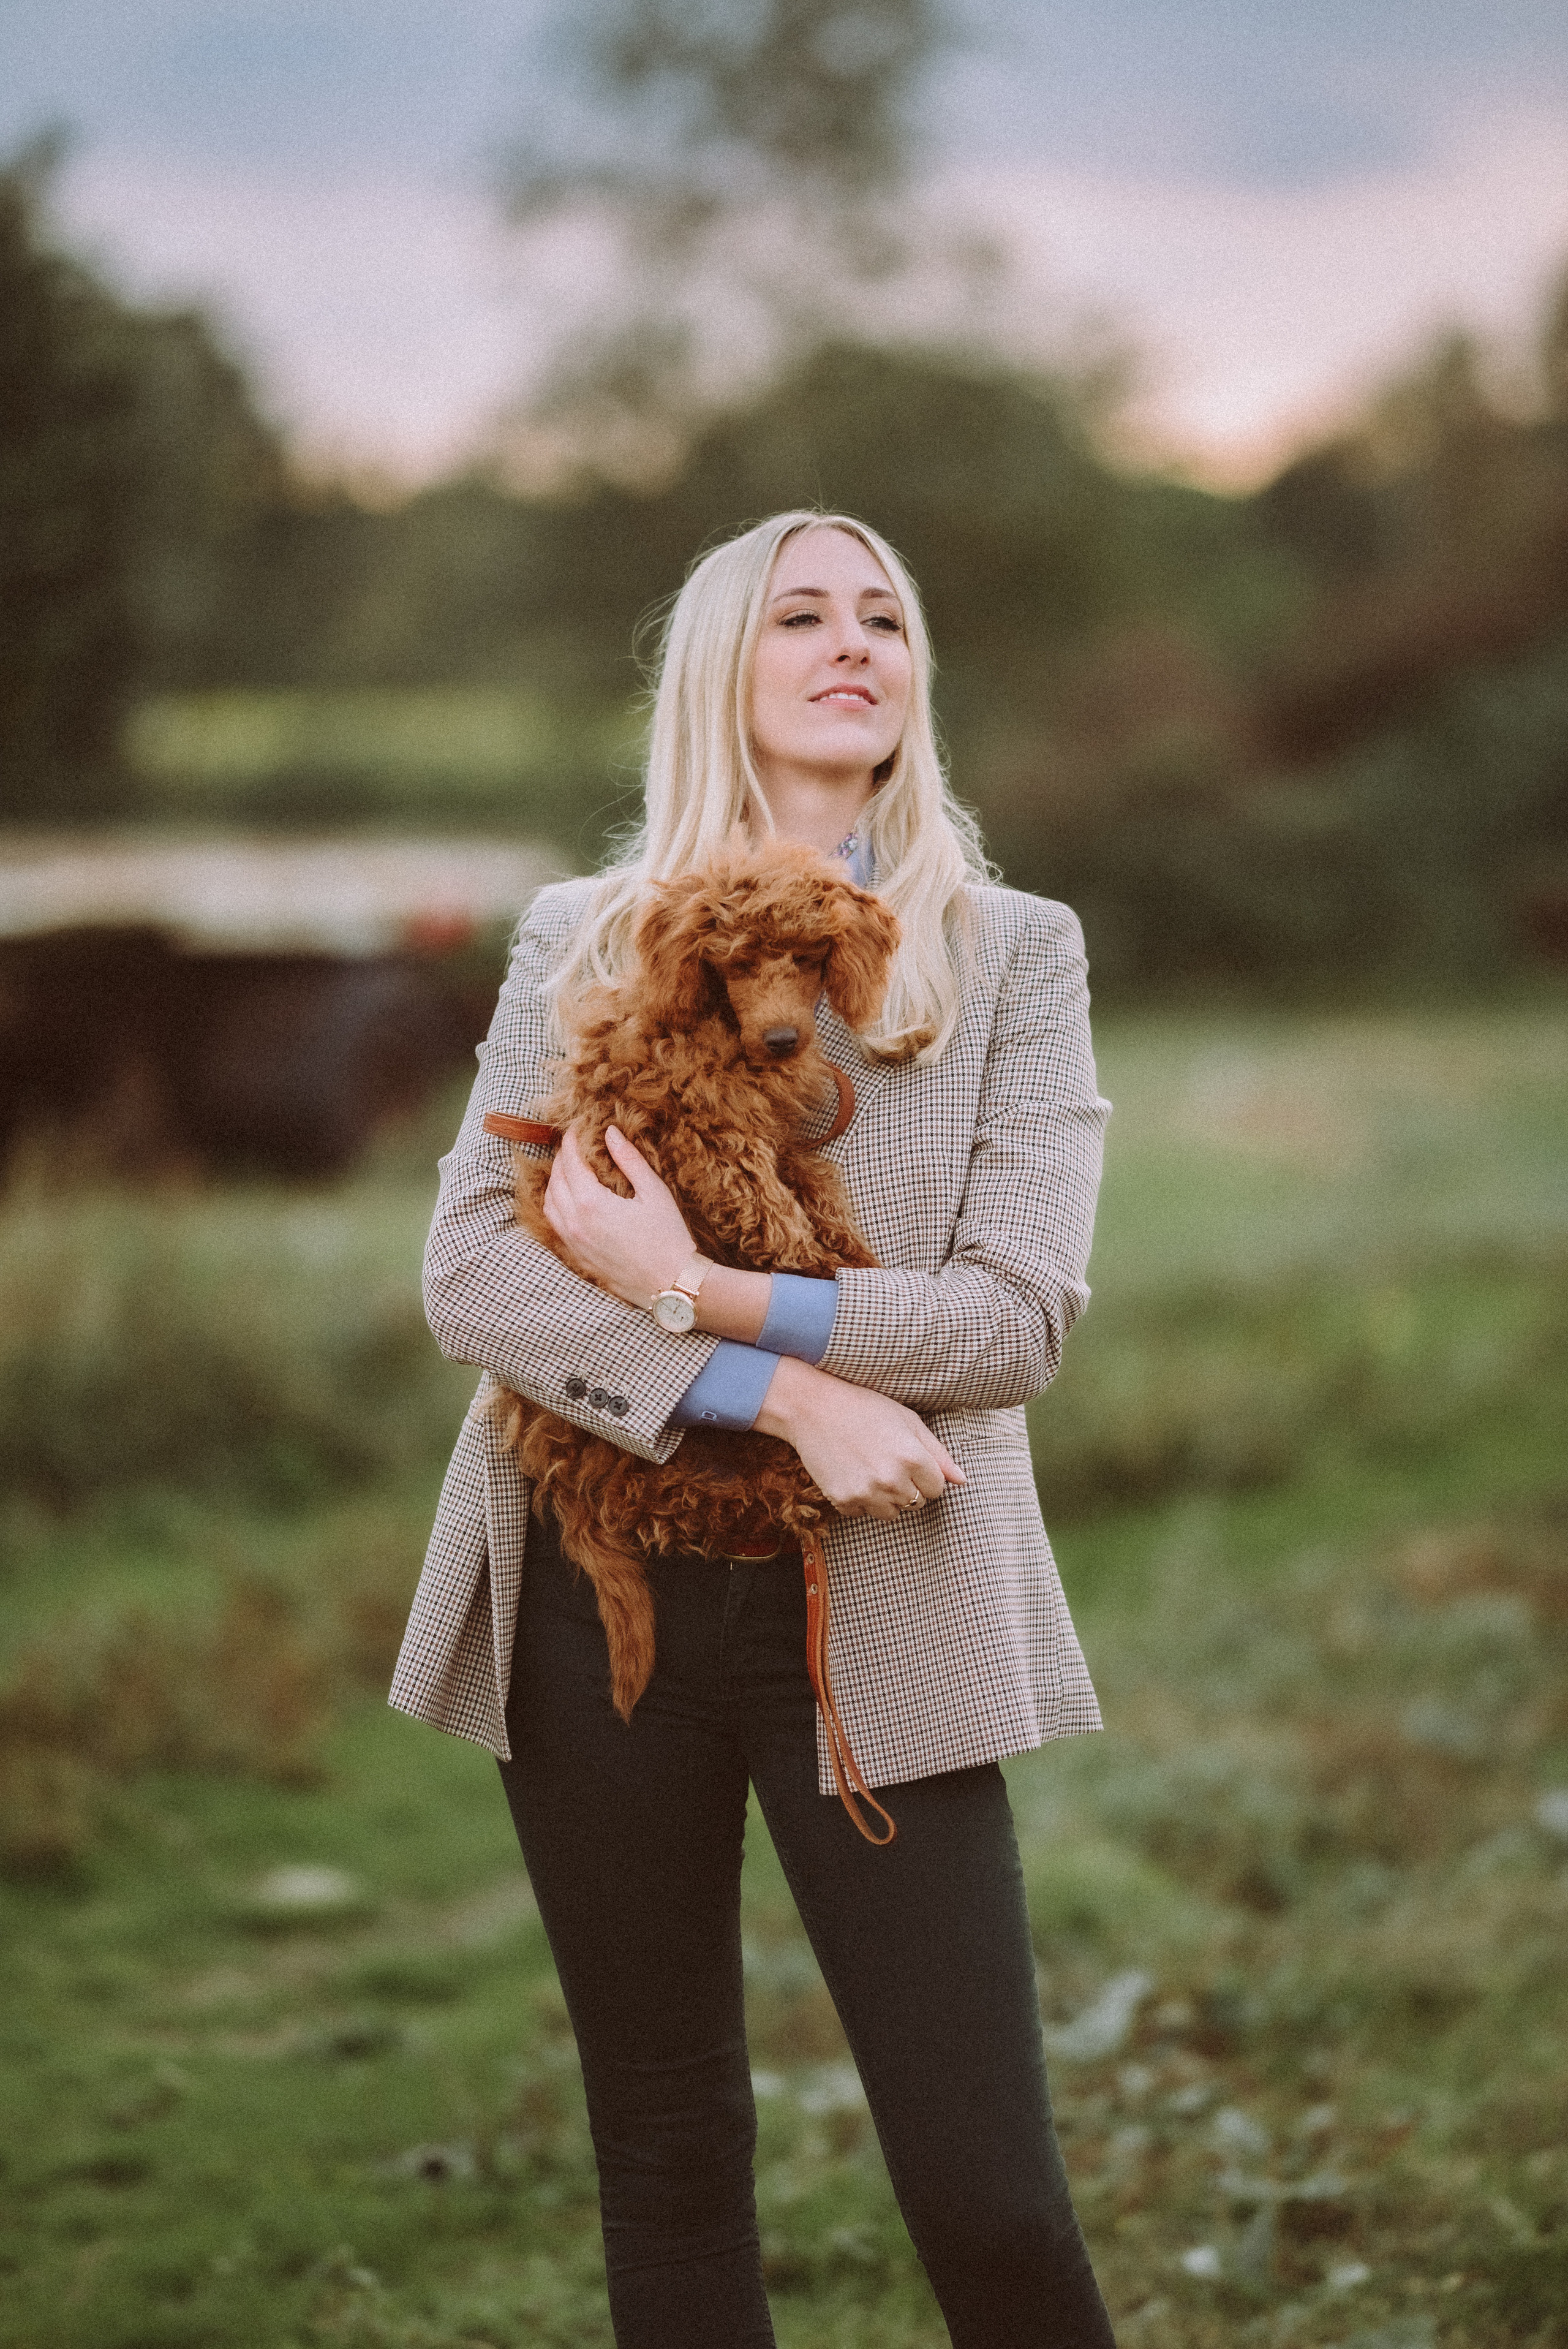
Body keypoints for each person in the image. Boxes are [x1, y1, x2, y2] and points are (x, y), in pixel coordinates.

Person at [390, 511, 1116, 2348]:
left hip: (882, 1599)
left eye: (885, 616)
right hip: (593, 1598)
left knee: (989, 2193)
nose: (854, 642)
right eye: (803, 615)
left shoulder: (1012, 955)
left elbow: (1012, 1320)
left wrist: (693, 1289)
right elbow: (475, 1273)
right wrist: (781, 1391)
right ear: (725, 665)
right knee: (668, 2157)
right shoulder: (581, 939)